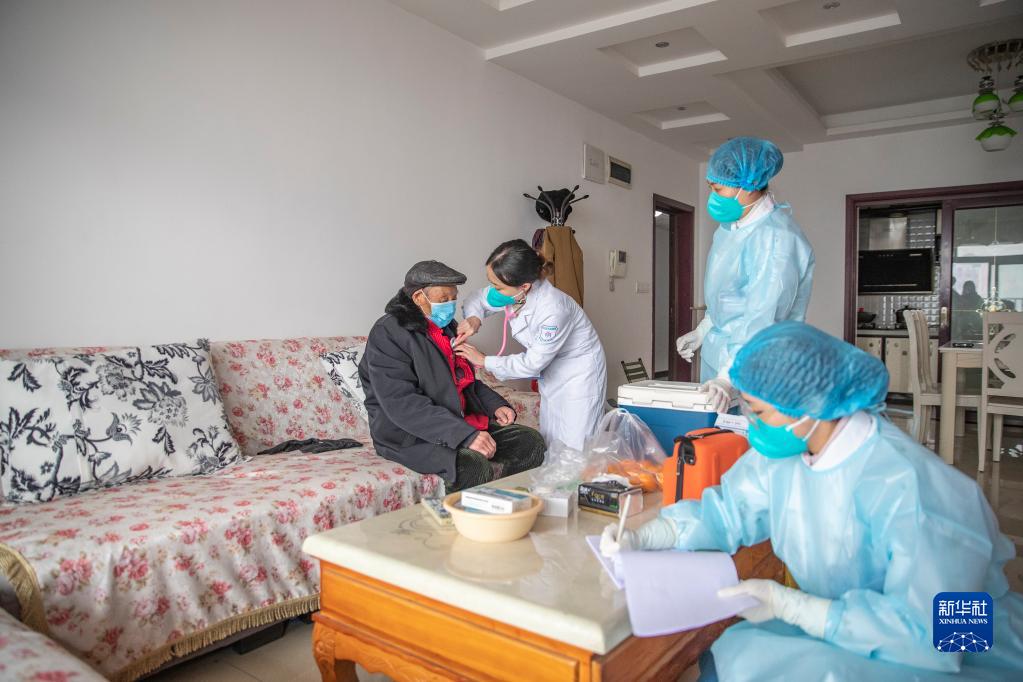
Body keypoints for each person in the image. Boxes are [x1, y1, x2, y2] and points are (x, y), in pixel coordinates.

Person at [603, 321, 1023, 681]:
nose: (752, 425)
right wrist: (652, 534)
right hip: (846, 626)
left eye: (759, 413)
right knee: (729, 657)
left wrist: (799, 609)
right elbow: (728, 510)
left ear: (811, 405)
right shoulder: (788, 454)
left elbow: (942, 637)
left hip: (957, 655)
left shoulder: (916, 488)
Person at [359, 260, 545, 492]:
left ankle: (512, 506)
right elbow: (402, 403)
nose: (450, 304)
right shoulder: (388, 333)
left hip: (456, 421)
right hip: (410, 435)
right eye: (443, 299)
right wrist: (465, 435)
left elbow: (463, 381)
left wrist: (495, 405)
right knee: (473, 465)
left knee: (529, 443)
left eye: (453, 298)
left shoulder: (446, 328)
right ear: (418, 297)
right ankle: (469, 516)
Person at [676, 137, 814, 412]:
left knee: (749, 436)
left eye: (718, 189)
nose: (713, 197)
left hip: (757, 370)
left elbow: (762, 317)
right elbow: (727, 297)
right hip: (722, 363)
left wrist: (728, 378)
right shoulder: (730, 230)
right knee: (716, 436)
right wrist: (704, 329)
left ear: (749, 186)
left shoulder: (775, 239)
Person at [454, 239, 607, 451]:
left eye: (498, 287)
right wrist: (474, 318)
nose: (493, 290)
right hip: (552, 374)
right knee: (552, 440)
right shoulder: (516, 291)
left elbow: (532, 363)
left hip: (579, 377)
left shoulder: (553, 309)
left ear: (524, 286)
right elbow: (477, 298)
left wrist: (484, 361)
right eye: (491, 283)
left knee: (576, 444)